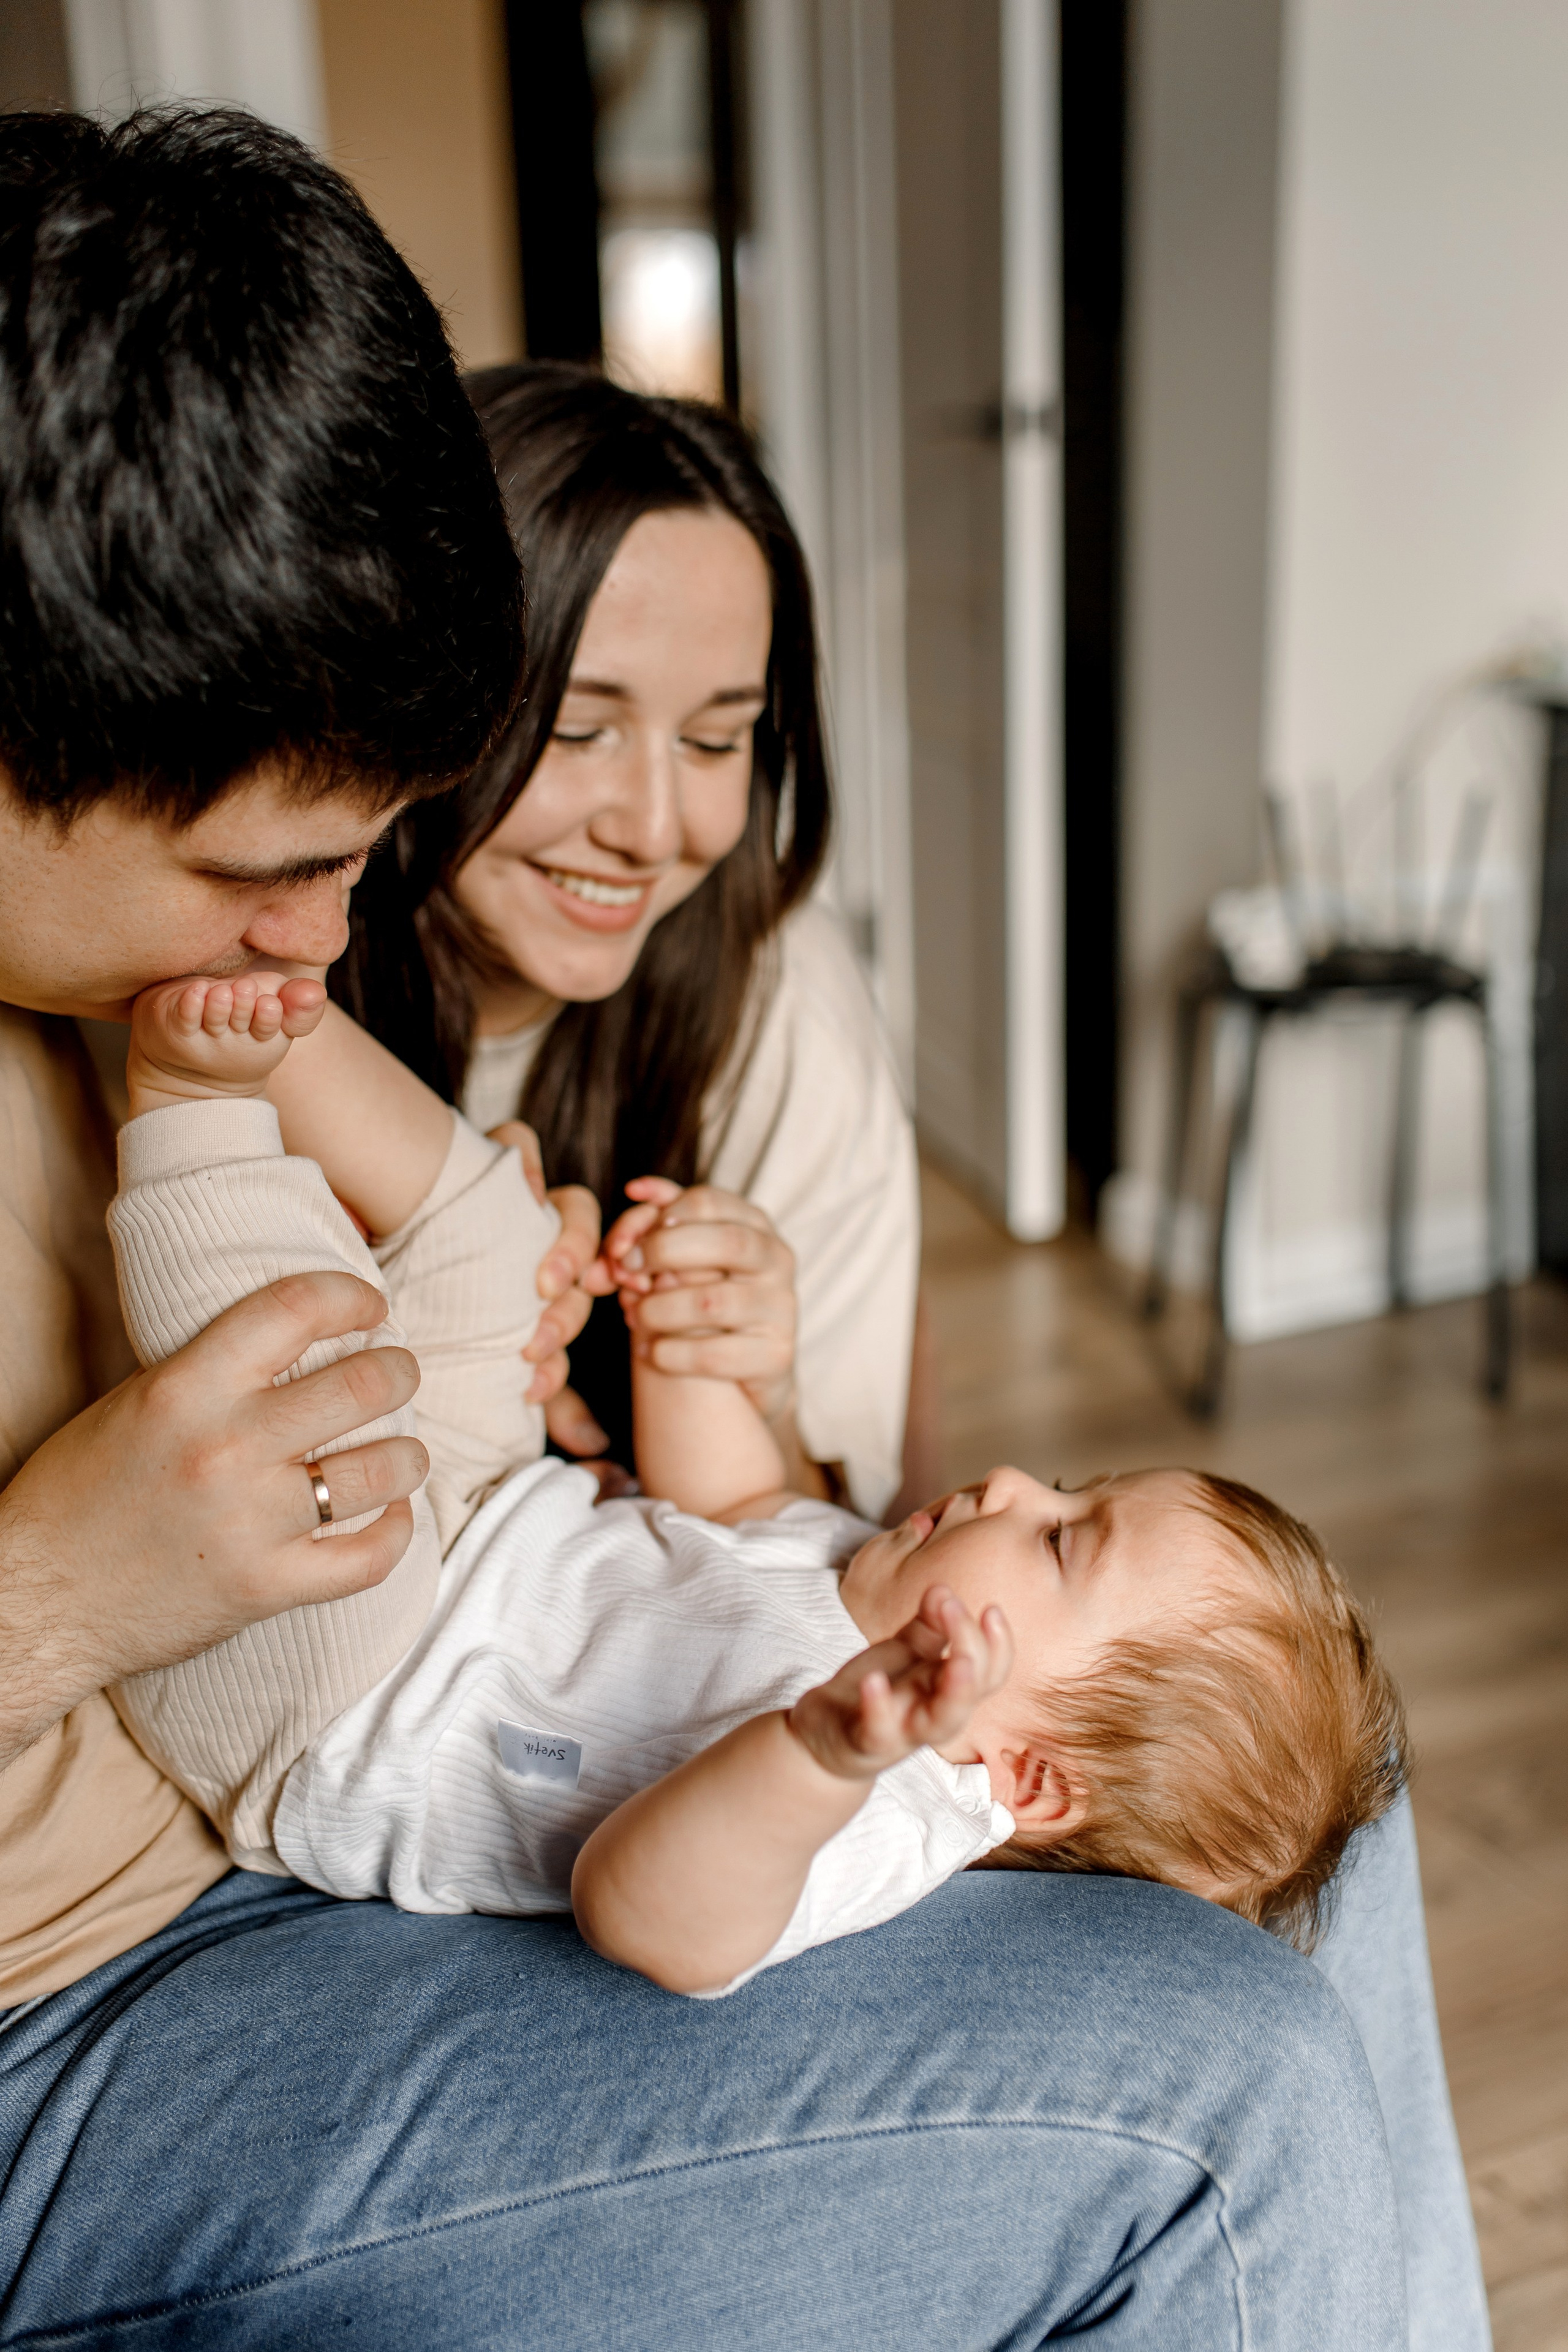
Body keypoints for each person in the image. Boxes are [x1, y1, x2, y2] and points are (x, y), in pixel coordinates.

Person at [0, 108, 1480, 2352]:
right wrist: (71, 1586)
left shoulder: (662, 981)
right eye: (254, 871)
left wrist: (734, 1392)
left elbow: (783, 1525)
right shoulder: (195, 988)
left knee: (1314, 1809)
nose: (309, 936)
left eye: (727, 736)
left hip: (424, 1759)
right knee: (1218, 2084)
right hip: (220, 1910)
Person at [110, 963, 1407, 2007]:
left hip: (335, 1711)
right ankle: (266, 1004)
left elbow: (643, 1912)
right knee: (491, 1231)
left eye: (1061, 1540)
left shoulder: (886, 1810)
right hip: (478, 1513)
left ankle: (186, 1107)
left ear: (1027, 1779)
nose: (1011, 1479)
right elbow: (725, 1502)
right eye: (1066, 1484)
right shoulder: (870, 1571)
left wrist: (818, 1752)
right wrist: (685, 1324)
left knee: (300, 1408)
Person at [333, 363, 928, 1521]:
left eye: (715, 745)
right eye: (579, 729)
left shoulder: (780, 1001)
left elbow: (830, 1567)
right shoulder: (247, 965)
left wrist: (750, 1395)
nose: (652, 832)